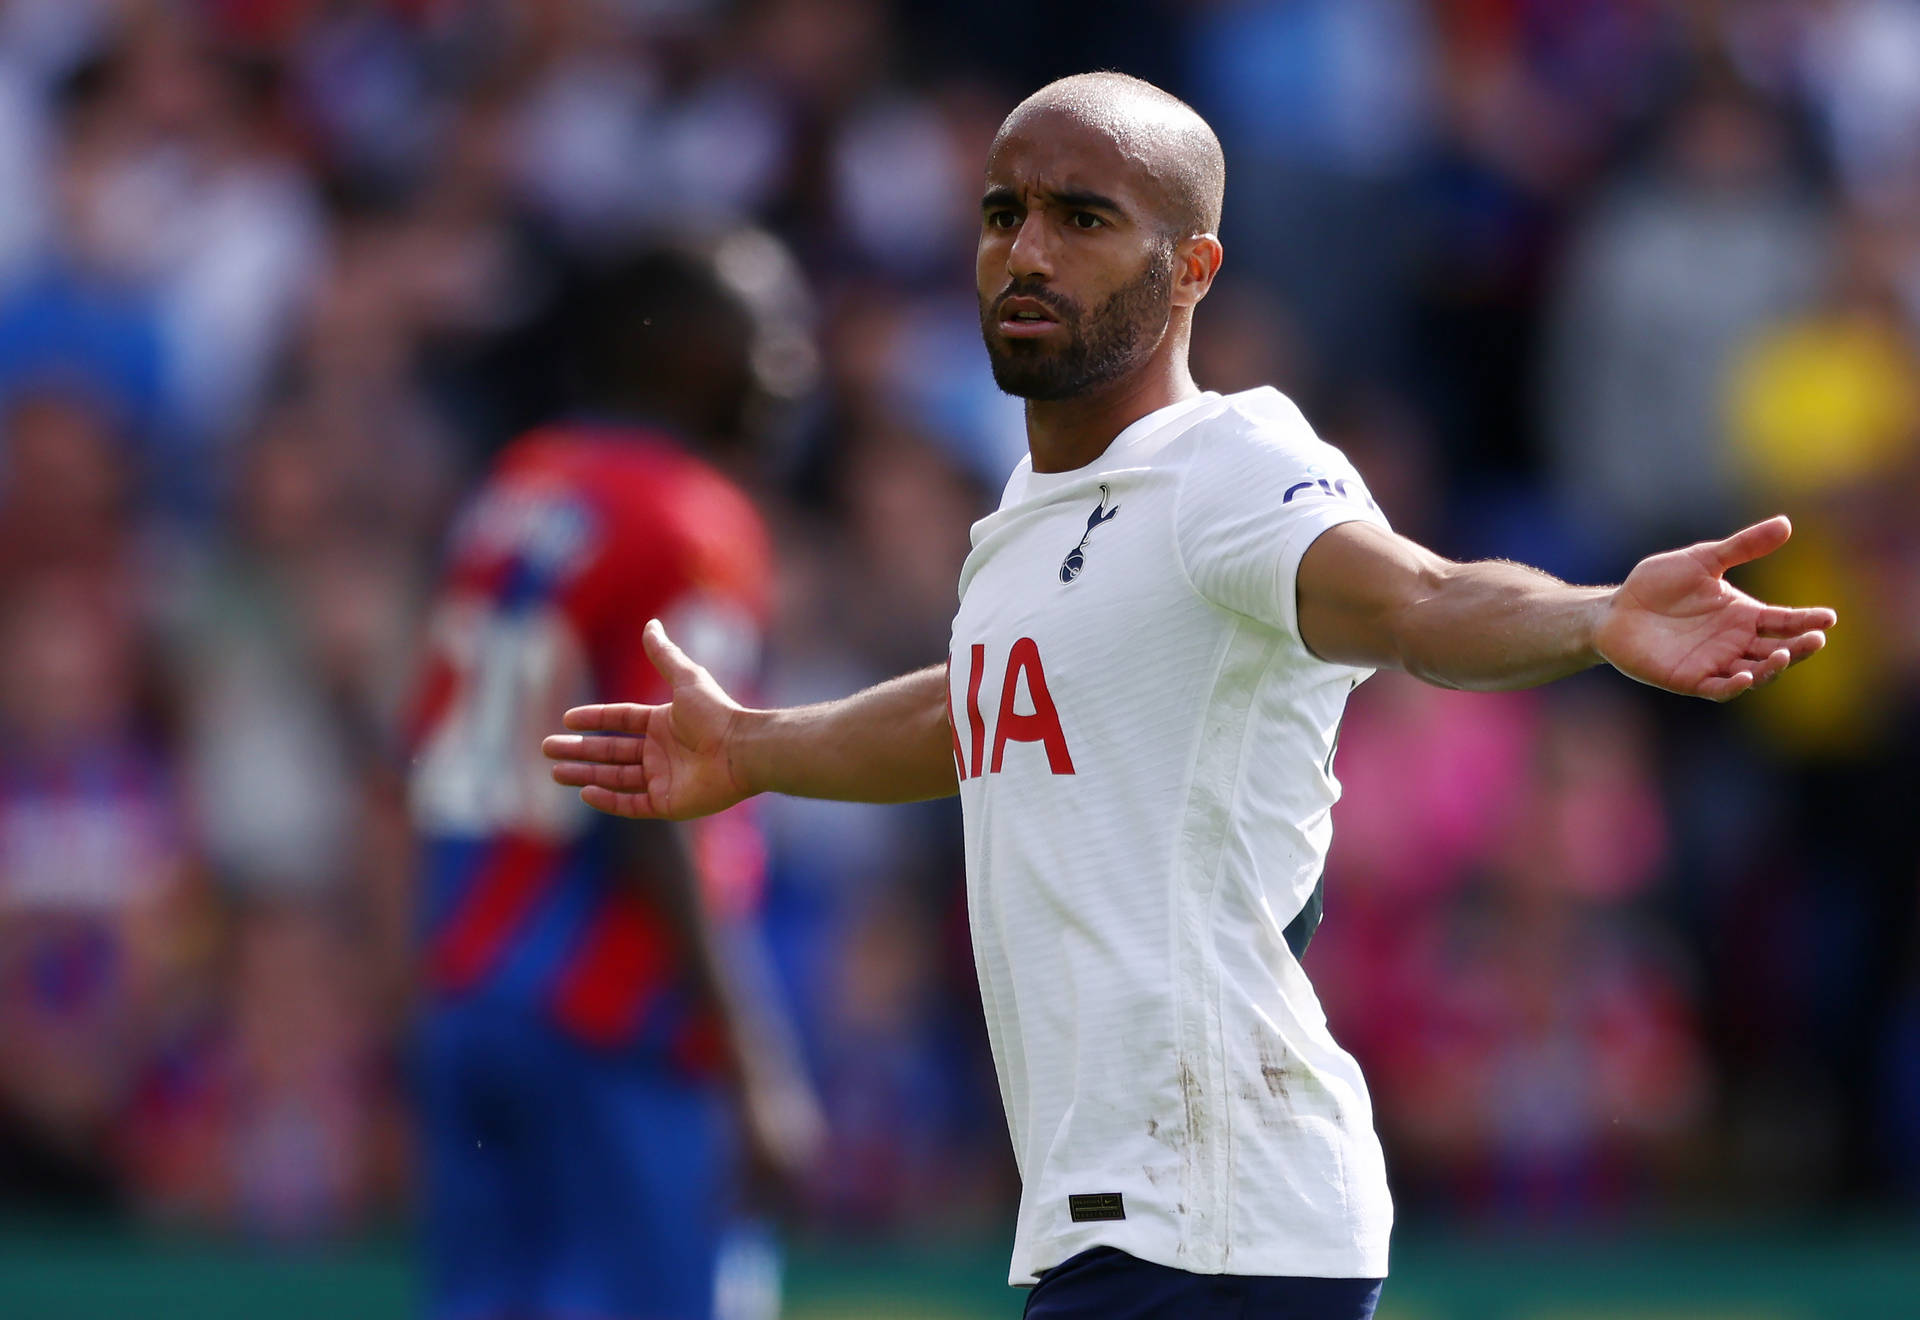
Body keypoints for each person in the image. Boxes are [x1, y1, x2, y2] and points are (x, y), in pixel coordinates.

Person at [543, 74, 1835, 1320]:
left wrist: (1596, 617)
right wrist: (758, 748)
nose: (1028, 250)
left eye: (1085, 218)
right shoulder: (1029, 519)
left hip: (1212, 1212)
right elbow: (977, 710)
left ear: (1195, 269)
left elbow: (1420, 599)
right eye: (1005, 214)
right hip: (1141, 1217)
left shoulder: (1228, 465)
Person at [409, 234, 822, 1320]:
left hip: (476, 991)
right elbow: (661, 793)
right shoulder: (689, 517)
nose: (793, 368)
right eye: (766, 336)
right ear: (681, 348)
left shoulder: (522, 486)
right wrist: (756, 1061)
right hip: (621, 1016)